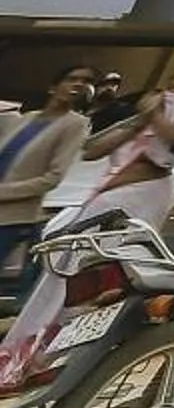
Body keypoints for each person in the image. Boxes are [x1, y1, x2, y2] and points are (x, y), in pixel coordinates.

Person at [0, 65, 174, 385]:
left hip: (137, 202)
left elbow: (173, 137)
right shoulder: (146, 122)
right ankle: (28, 350)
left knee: (86, 275)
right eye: (171, 85)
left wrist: (155, 113)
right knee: (60, 269)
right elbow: (94, 151)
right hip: (101, 201)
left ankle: (48, 352)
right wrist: (138, 121)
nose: (172, 93)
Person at [0, 69, 96, 309]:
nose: (78, 85)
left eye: (85, 82)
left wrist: (5, 193)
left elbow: (52, 178)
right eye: (72, 79)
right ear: (54, 87)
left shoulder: (75, 124)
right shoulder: (28, 118)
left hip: (15, 214)